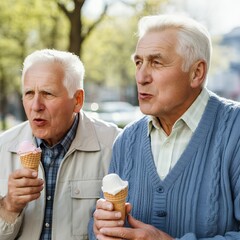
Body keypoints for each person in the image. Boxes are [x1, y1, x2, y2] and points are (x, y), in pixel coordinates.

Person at [90, 14, 240, 239]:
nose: (141, 77)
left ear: (196, 73)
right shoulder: (127, 140)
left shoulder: (235, 131)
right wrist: (100, 228)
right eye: (138, 62)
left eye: (156, 62)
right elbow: (101, 229)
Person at [0, 49, 121, 240]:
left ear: (78, 100)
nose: (36, 105)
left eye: (47, 93)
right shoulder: (2, 148)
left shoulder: (116, 145)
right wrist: (9, 206)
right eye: (29, 93)